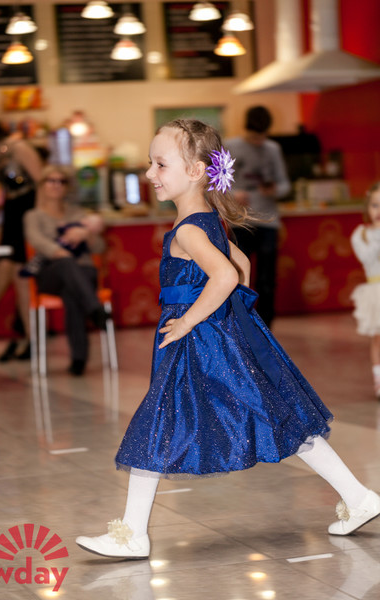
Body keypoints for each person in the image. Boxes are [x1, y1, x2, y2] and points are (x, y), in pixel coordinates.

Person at [76, 119, 380, 559]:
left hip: (197, 341)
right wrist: (228, 323)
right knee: (275, 415)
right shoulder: (208, 221)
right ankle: (358, 498)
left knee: (159, 423)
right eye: (150, 163)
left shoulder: (188, 230)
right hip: (215, 338)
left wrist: (188, 321)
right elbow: (240, 269)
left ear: (197, 171)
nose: (150, 174)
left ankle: (132, 534)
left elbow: (223, 275)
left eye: (160, 164)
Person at [23, 165, 108, 376]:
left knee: (73, 292)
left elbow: (98, 247)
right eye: (50, 180)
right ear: (42, 185)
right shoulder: (33, 216)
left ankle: (79, 360)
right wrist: (63, 251)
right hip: (50, 274)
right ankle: (94, 308)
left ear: (66, 186)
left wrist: (86, 234)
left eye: (61, 181)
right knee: (68, 265)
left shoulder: (77, 213)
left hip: (81, 275)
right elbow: (38, 242)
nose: (56, 185)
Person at [0, 115, 44, 361]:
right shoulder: (1, 153)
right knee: (10, 266)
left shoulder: (18, 147)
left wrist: (37, 220)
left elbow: (40, 181)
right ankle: (25, 335)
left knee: (18, 271)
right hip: (13, 209)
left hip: (27, 209)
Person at [226, 106, 291, 328]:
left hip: (269, 221)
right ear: (246, 129)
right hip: (241, 221)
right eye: (254, 137)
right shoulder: (230, 146)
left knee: (266, 281)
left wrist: (274, 190)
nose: (258, 141)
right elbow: (215, 185)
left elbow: (285, 185)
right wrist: (234, 194)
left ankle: (266, 327)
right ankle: (239, 323)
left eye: (261, 137)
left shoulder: (273, 149)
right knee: (238, 276)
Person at [350, 182, 380, 398]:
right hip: (375, 290)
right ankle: (379, 378)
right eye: (375, 205)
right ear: (367, 208)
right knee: (377, 337)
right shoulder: (361, 234)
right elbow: (367, 257)